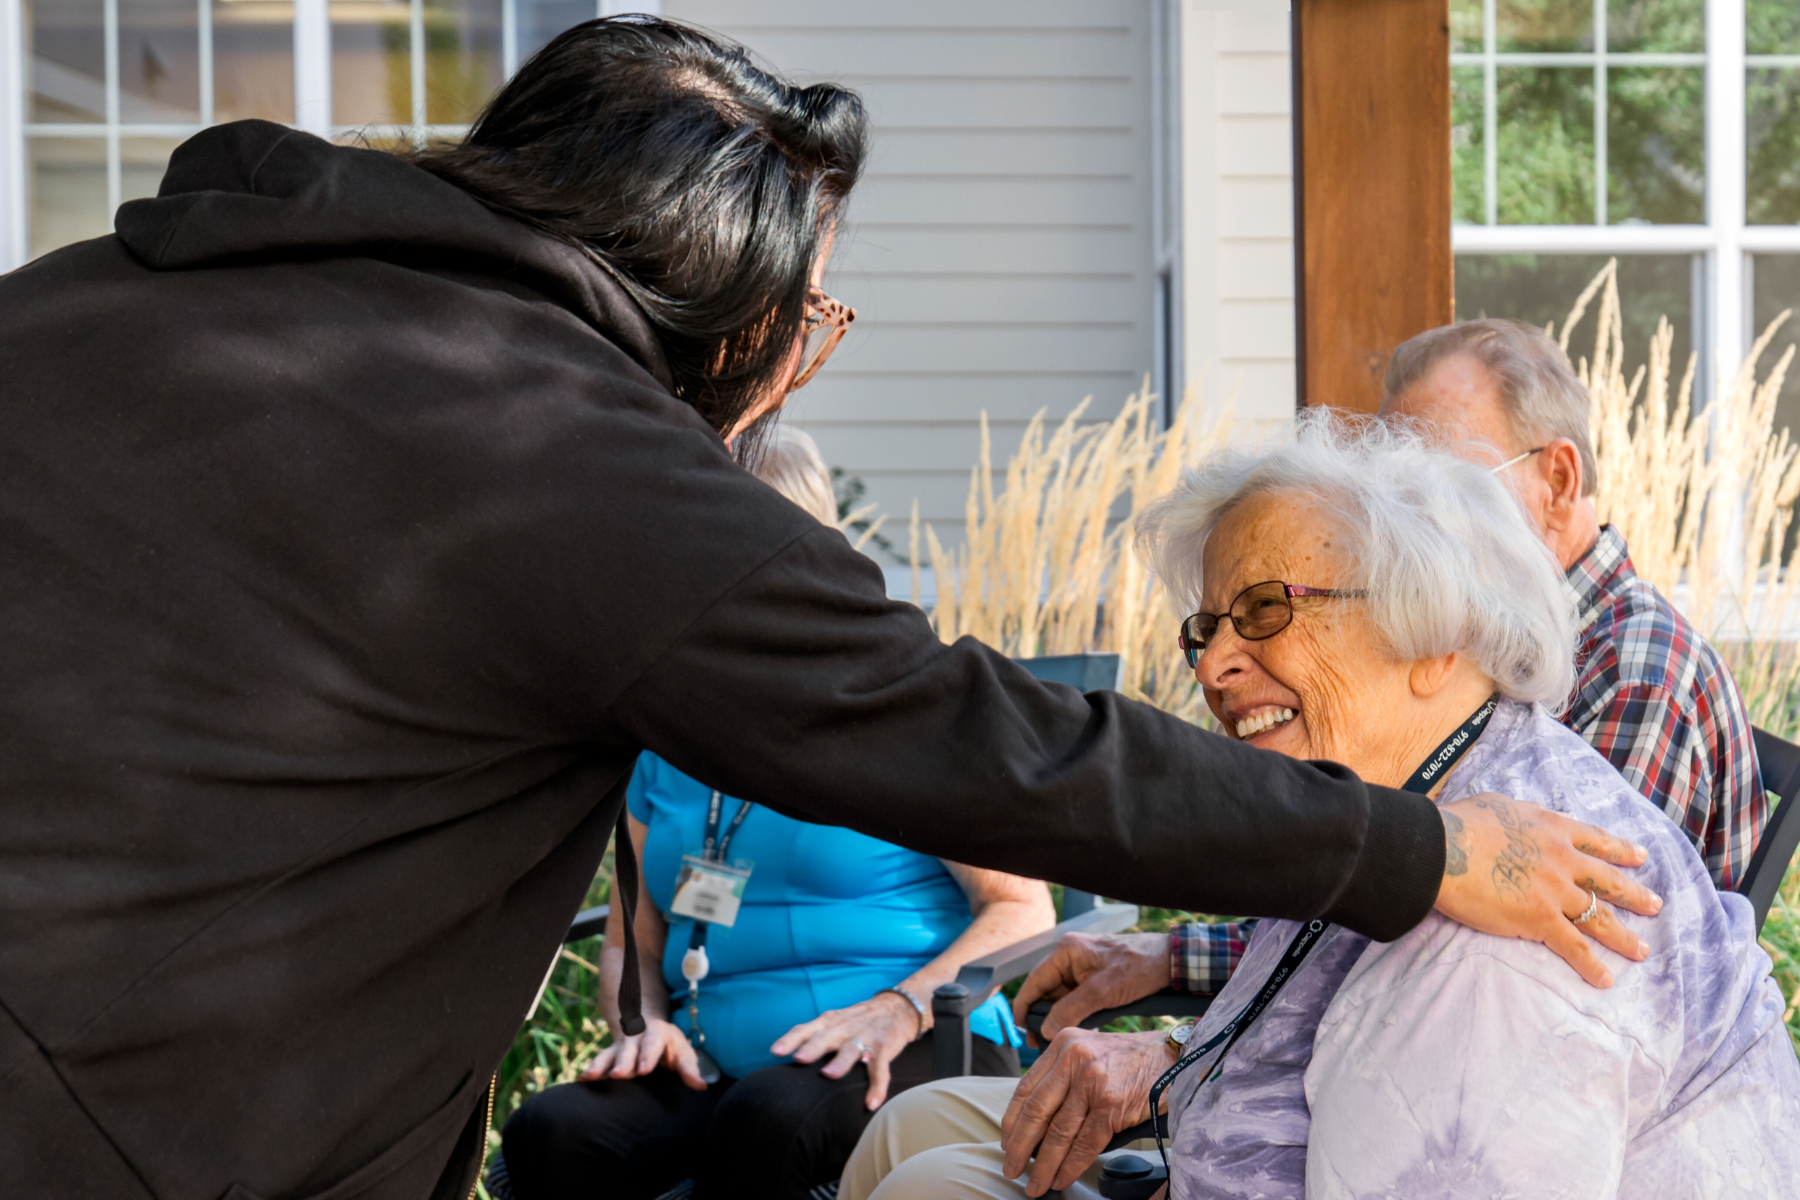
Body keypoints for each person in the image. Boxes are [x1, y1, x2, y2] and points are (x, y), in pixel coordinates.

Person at [0, 16, 1658, 1198]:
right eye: (815, 317)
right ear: (722, 317)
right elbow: (976, 736)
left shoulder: (71, 310)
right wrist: (1416, 852)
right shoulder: (555, 458)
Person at [844, 419, 1800, 1200]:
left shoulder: (1507, 943)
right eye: (1207, 627)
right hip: (1219, 1148)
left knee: (928, 1185)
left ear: (1436, 629)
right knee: (910, 1134)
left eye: (1263, 610)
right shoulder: (1405, 790)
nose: (1214, 667)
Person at [496, 427, 1055, 1200]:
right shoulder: (665, 735)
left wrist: (897, 1008)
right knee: (553, 1134)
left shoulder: (915, 710)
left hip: (921, 1044)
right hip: (719, 1067)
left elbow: (1023, 910)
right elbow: (632, 942)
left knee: (768, 1123)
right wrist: (642, 1024)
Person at [1383, 319, 1765, 888]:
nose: (1401, 525)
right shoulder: (1488, 644)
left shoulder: (1639, 676)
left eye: (1443, 485)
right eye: (1389, 492)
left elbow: (1574, 938)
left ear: (1558, 482)